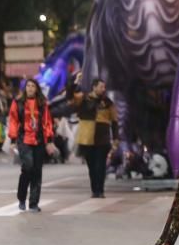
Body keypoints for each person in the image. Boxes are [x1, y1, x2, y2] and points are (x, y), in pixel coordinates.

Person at [7, 80, 56, 212]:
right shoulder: (18, 103)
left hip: (38, 140)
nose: (30, 88)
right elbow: (13, 121)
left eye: (32, 86)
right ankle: (22, 198)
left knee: (37, 171)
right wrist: (12, 140)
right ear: (25, 88)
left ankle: (34, 203)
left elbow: (47, 122)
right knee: (27, 167)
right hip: (24, 139)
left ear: (36, 89)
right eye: (28, 86)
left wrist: (49, 140)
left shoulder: (42, 104)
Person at [67, 75, 119, 198]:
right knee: (91, 166)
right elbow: (70, 98)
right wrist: (75, 83)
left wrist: (116, 138)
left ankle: (100, 190)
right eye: (101, 87)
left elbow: (115, 121)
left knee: (101, 165)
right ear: (94, 87)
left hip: (103, 138)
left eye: (104, 87)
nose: (103, 89)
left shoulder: (107, 102)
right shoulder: (83, 99)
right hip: (87, 138)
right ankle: (94, 190)